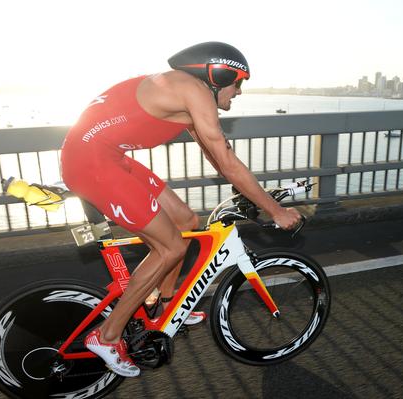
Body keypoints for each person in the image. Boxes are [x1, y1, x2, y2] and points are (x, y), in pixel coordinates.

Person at [60, 42, 302, 377]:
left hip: (106, 157)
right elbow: (228, 161)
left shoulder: (184, 94)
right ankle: (107, 335)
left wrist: (247, 190)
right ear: (217, 74)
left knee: (187, 221)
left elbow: (216, 153)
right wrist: (274, 210)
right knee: (170, 247)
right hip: (93, 164)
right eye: (238, 83)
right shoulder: (194, 91)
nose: (239, 92)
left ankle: (168, 302)